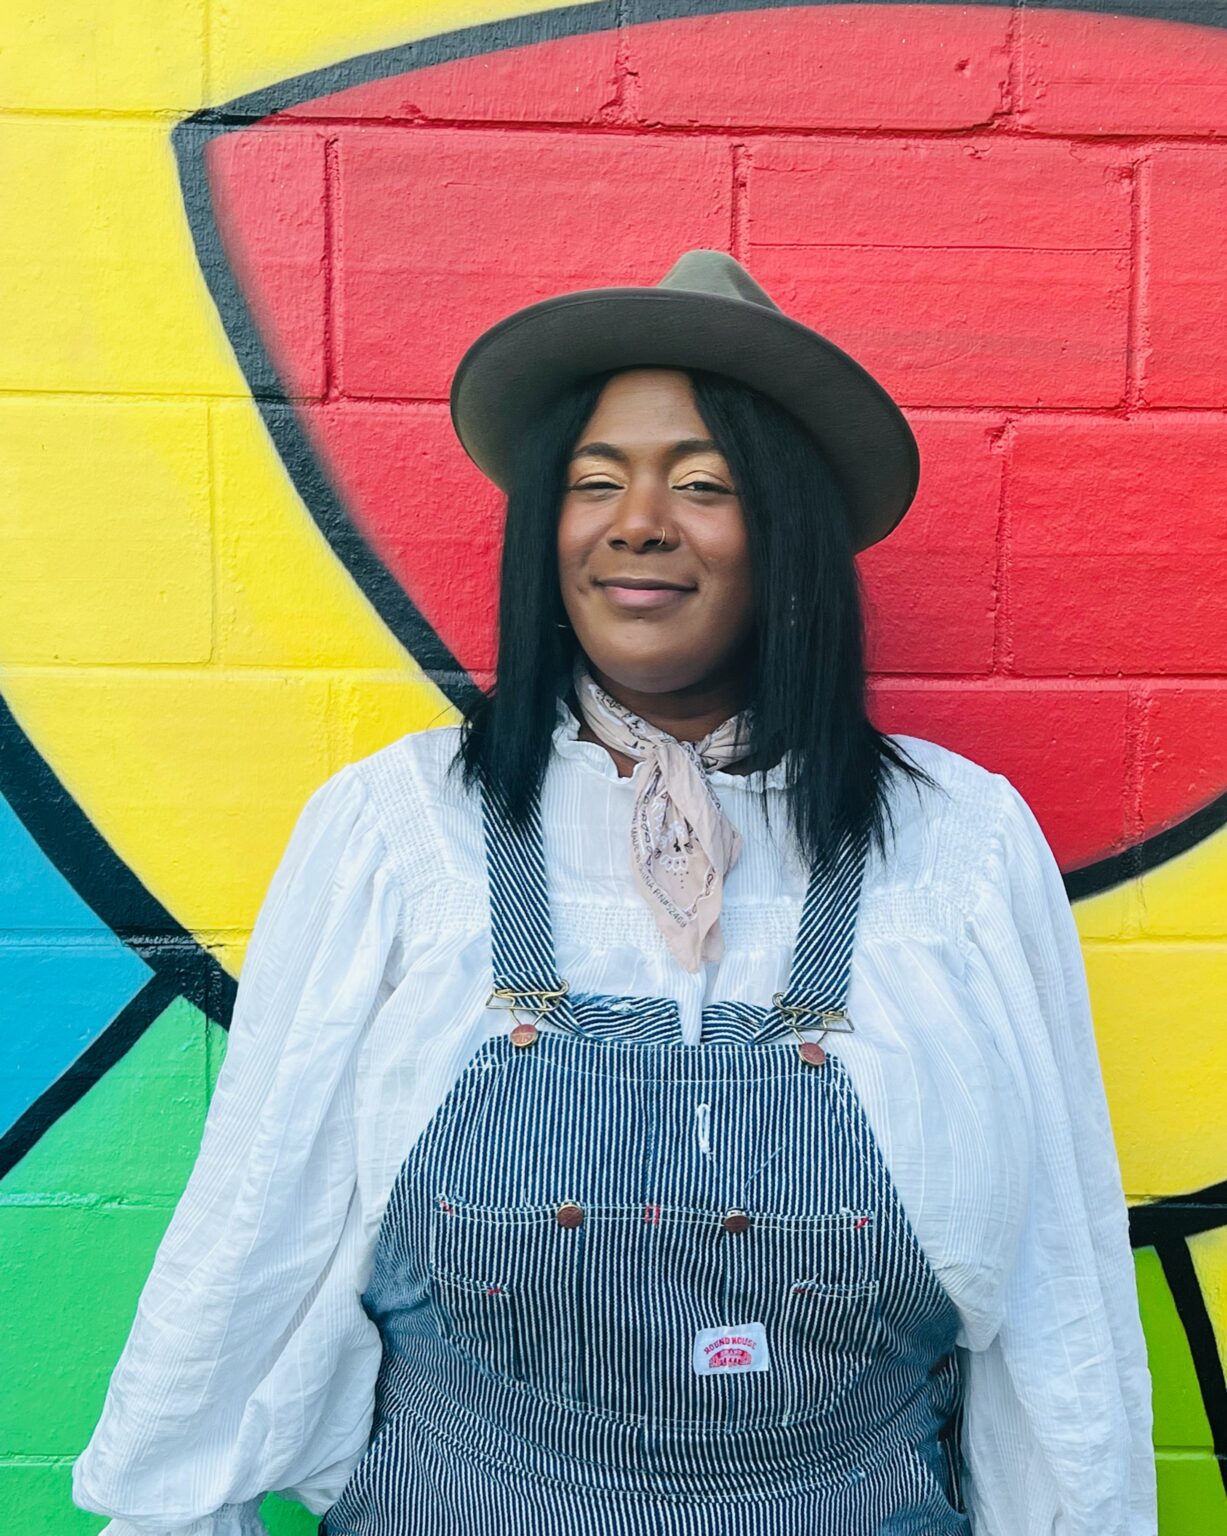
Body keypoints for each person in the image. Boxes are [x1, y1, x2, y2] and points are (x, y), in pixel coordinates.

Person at [72, 250, 1156, 1535]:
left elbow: (1057, 1303)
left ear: (791, 531)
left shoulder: (959, 848)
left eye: (703, 484)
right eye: (595, 484)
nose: (637, 521)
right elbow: (253, 1236)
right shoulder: (397, 834)